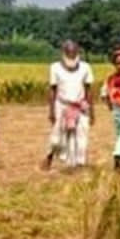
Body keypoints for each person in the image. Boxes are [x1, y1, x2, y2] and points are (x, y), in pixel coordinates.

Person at [45, 40, 95, 169]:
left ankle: (79, 163)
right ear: (64, 52)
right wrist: (51, 111)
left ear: (78, 52)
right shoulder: (55, 67)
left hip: (81, 106)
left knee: (81, 135)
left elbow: (89, 89)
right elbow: (52, 90)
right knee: (57, 136)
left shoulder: (85, 67)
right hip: (61, 105)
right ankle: (49, 157)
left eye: (74, 52)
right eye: (69, 52)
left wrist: (91, 111)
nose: (72, 55)